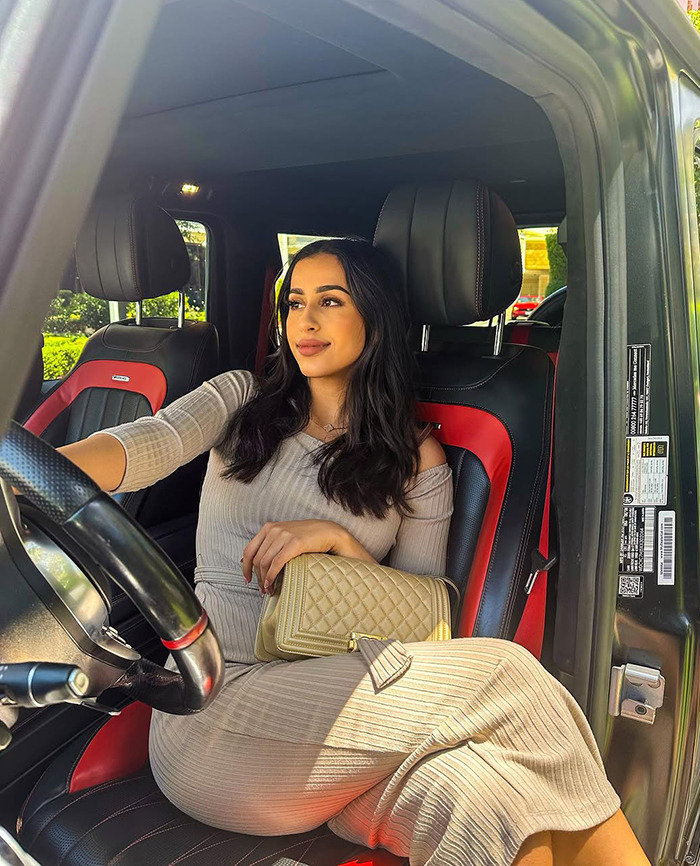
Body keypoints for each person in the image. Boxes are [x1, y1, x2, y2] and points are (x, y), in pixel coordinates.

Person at [58, 239, 650, 866]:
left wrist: (336, 543)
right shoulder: (241, 402)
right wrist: (34, 472)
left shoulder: (416, 458)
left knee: (482, 799)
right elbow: (140, 445)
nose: (304, 322)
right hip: (213, 707)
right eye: (294, 303)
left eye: (330, 301)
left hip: (335, 727)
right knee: (510, 678)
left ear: (372, 317)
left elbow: (427, 622)